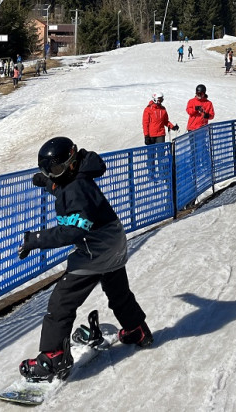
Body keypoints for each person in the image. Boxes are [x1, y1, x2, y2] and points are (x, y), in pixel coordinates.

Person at [17, 136, 152, 381]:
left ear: (70, 162)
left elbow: (73, 230)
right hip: (115, 242)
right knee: (118, 293)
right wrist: (46, 181)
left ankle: (53, 358)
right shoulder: (77, 175)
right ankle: (137, 330)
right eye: (48, 171)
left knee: (61, 303)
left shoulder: (76, 188)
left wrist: (34, 239)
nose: (53, 175)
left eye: (55, 170)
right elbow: (63, 184)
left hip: (96, 250)